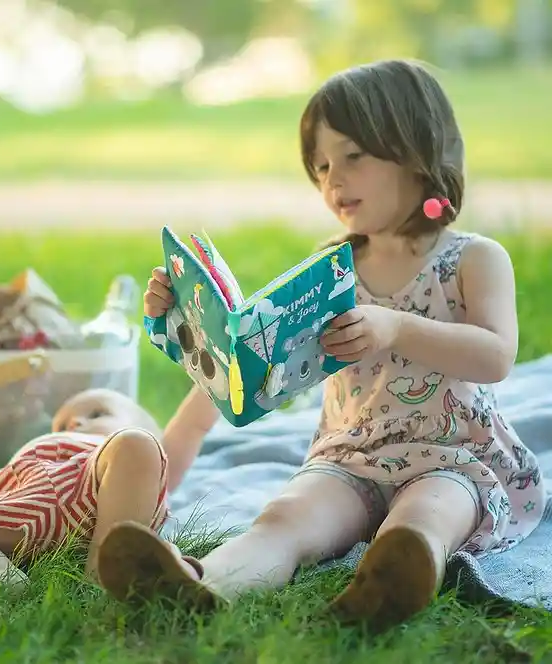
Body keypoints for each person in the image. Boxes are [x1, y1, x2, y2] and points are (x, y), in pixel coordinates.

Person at [95, 59, 545, 629]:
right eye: (322, 165)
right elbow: (257, 368)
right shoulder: (331, 269)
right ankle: (199, 583)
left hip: (452, 457)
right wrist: (183, 325)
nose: (334, 178)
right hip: (348, 459)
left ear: (415, 148)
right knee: (283, 519)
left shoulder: (473, 258)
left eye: (353, 156)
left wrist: (396, 327)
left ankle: (392, 581)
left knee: (425, 517)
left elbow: (496, 355)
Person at [0, 386, 219, 591]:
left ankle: (105, 569)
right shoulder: (37, 453)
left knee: (137, 445)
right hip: (18, 511)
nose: (75, 421)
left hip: (95, 496)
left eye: (97, 414)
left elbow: (193, 424)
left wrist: (214, 381)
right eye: (61, 426)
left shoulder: (126, 453)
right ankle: (7, 577)